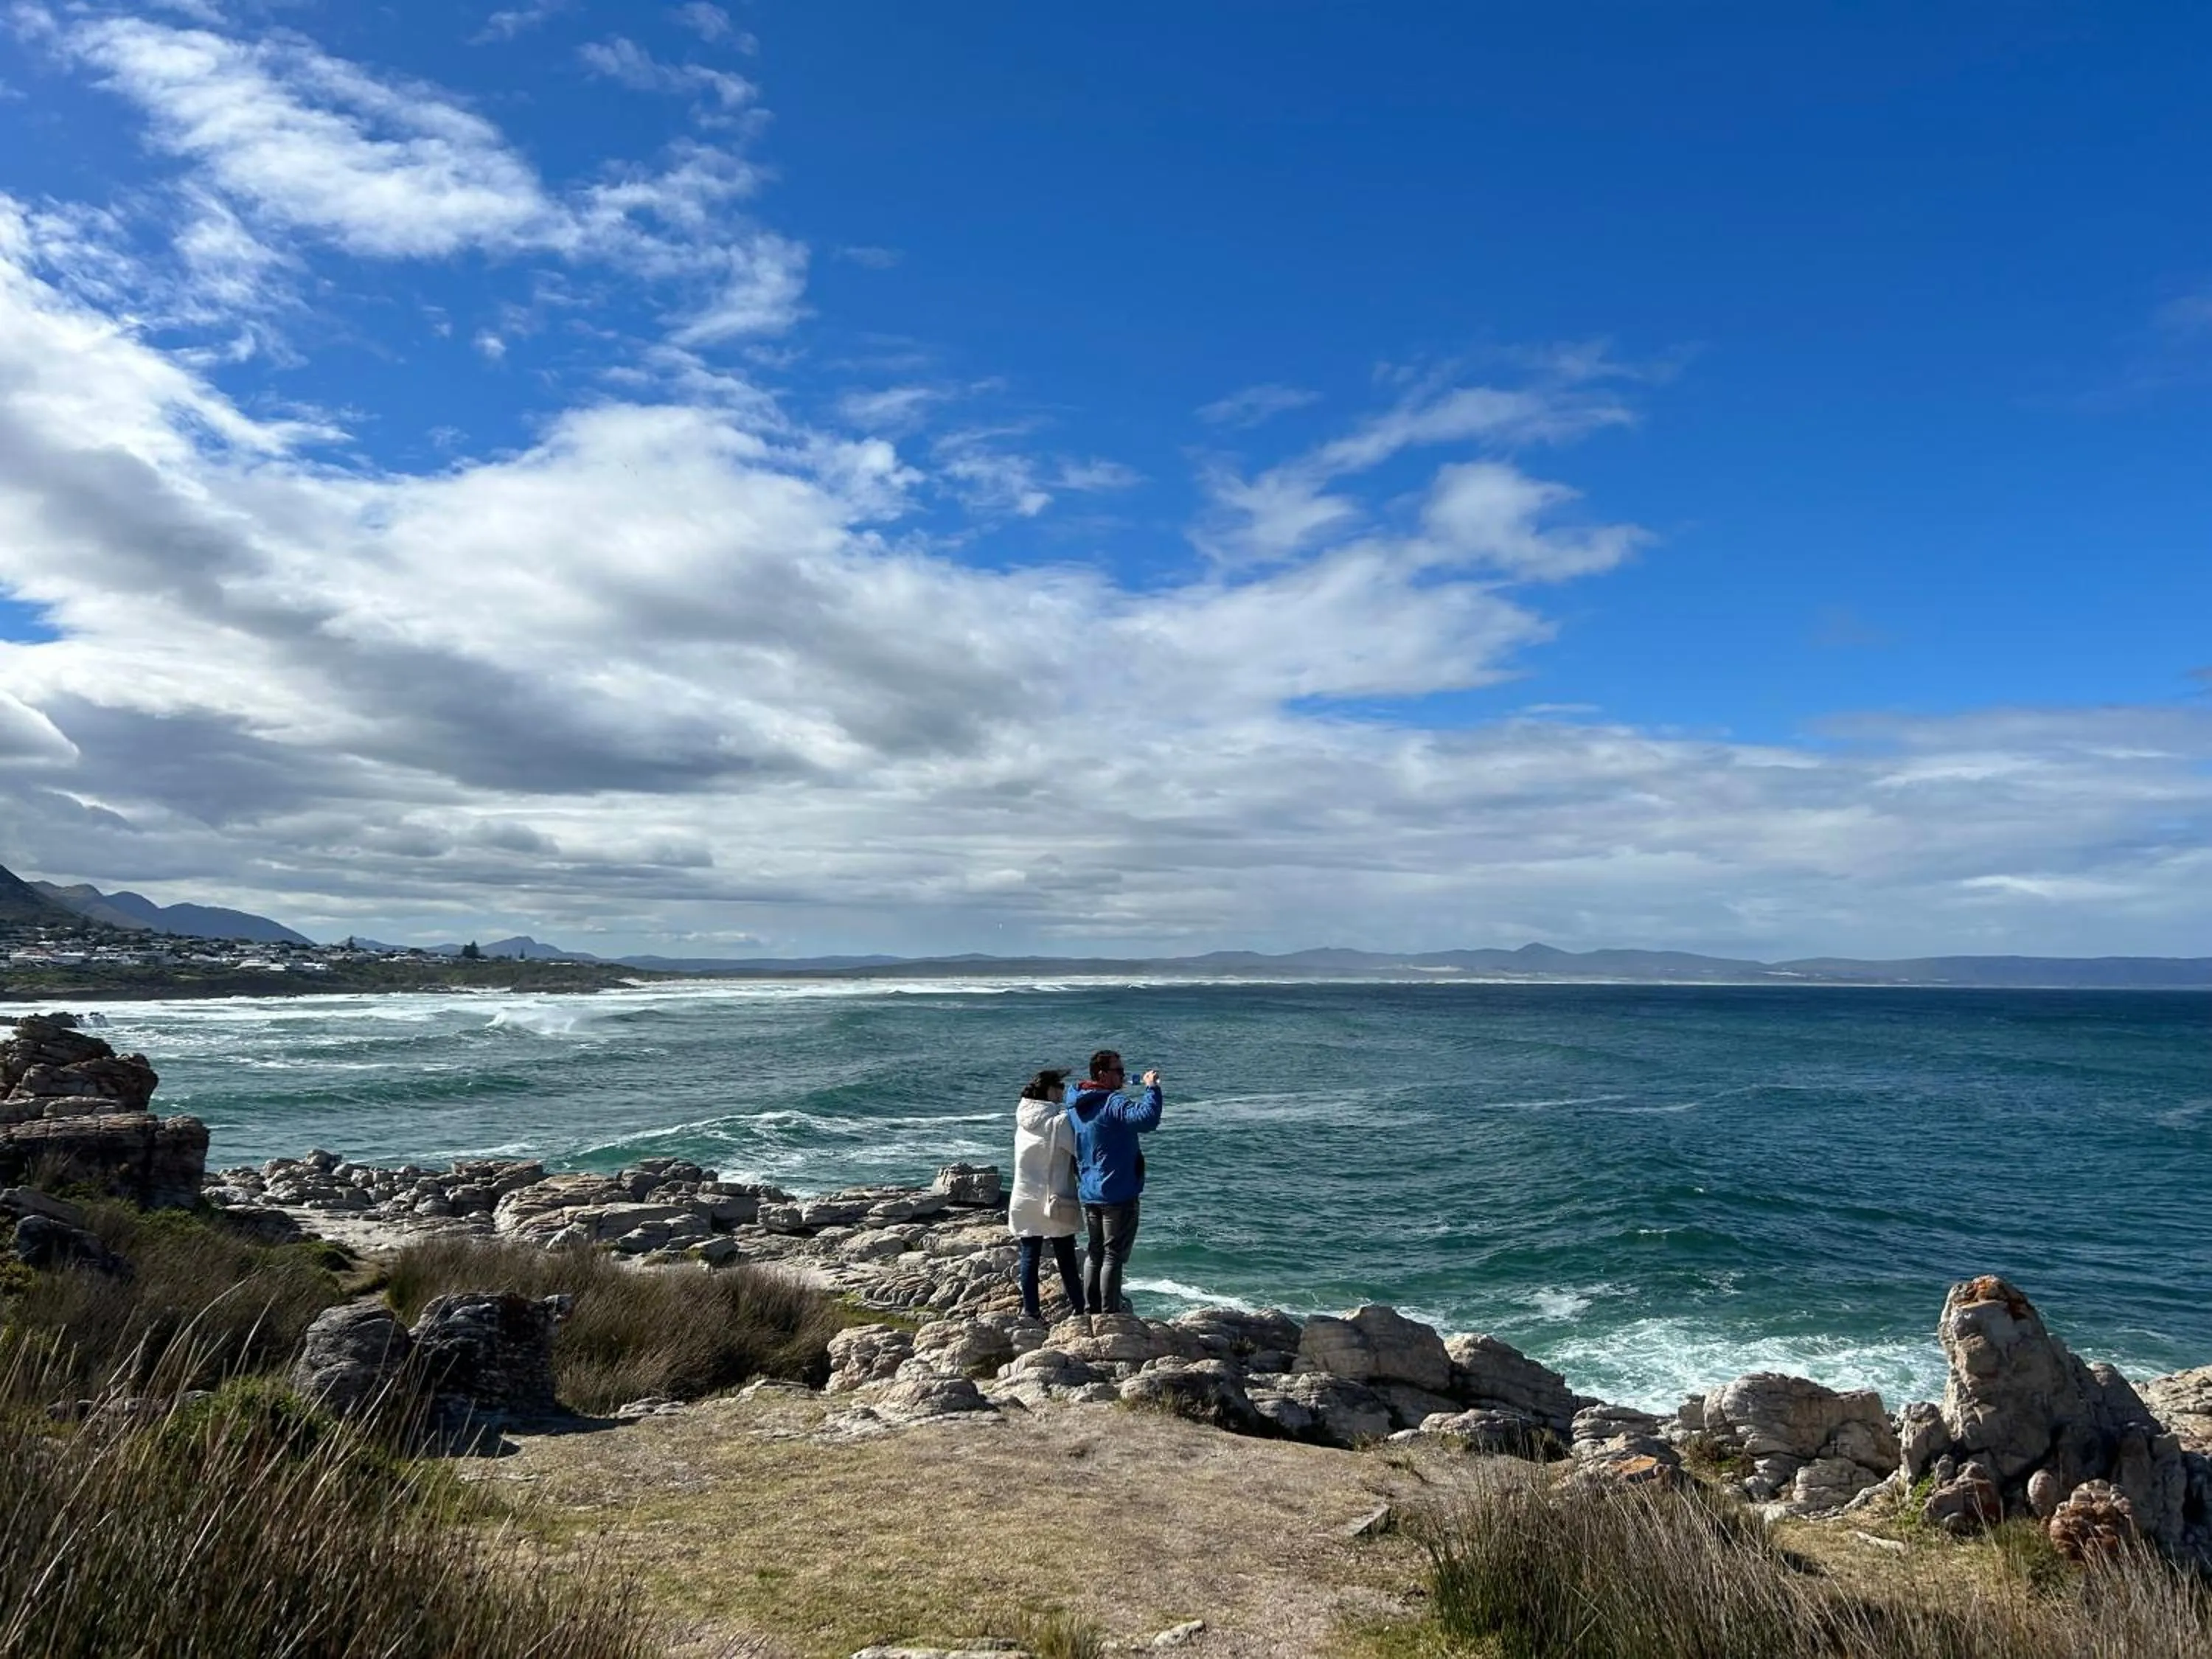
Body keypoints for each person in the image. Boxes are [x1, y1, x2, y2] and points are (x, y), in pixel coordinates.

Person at [1065, 1048, 1163, 1317]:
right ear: (1102, 1074)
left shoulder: (1076, 1104)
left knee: (1095, 1252)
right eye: (1118, 1071)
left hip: (1090, 1189)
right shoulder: (1112, 1101)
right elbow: (1147, 1119)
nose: (1122, 1075)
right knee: (1113, 1255)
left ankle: (1090, 1309)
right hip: (1117, 1191)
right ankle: (1110, 1314)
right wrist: (1152, 1088)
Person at [1006, 1067, 1085, 1321]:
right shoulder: (1058, 1122)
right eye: (1060, 1087)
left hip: (1023, 1197)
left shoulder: (1023, 1119)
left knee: (1029, 1256)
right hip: (1054, 1199)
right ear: (1050, 1091)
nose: (1063, 1091)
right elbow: (1079, 1151)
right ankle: (1079, 1308)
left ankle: (1031, 1312)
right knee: (1066, 1257)